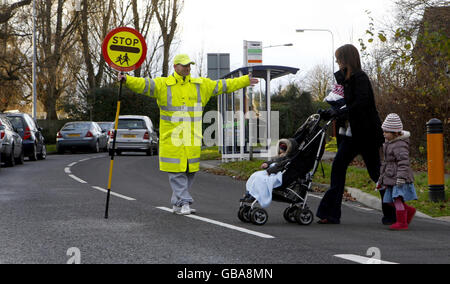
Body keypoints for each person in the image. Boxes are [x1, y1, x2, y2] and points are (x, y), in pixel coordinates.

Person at [118, 54, 258, 215]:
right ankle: (185, 202)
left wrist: (245, 81)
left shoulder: (200, 85)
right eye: (184, 65)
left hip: (192, 138)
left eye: (189, 65)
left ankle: (177, 203)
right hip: (172, 139)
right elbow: (143, 84)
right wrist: (127, 79)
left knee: (189, 172)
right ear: (175, 66)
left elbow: (223, 85)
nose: (187, 68)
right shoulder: (163, 84)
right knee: (177, 173)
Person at [316, 44, 396, 224]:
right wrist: (333, 110)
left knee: (375, 173)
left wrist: (339, 111)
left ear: (346, 59)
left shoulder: (360, 78)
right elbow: (343, 101)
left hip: (365, 134)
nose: (336, 62)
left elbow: (361, 103)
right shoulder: (345, 80)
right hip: (352, 134)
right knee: (339, 168)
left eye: (338, 59)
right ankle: (331, 213)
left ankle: (394, 212)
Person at [377, 113, 417, 230]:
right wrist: (381, 179)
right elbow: (386, 163)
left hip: (399, 178)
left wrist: (401, 177)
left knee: (397, 199)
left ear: (395, 133)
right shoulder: (390, 143)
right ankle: (408, 211)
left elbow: (404, 163)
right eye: (384, 131)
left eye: (386, 132)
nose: (384, 134)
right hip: (390, 176)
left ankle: (402, 223)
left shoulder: (400, 145)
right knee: (389, 200)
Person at [242, 139, 297, 208]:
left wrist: (270, 171)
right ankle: (250, 193)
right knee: (255, 175)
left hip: (276, 174)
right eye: (280, 148)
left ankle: (255, 195)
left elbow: (279, 166)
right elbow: (272, 161)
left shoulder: (287, 159)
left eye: (283, 149)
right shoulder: (278, 157)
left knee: (261, 179)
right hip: (271, 171)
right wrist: (266, 164)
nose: (280, 150)